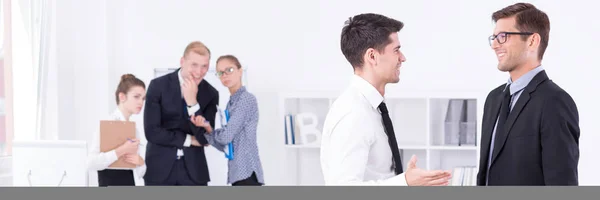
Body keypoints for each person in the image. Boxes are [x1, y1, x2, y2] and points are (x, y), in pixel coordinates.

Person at [319, 13, 452, 186]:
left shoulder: (371, 108)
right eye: (396, 50)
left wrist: (407, 183)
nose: (402, 58)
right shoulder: (353, 113)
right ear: (372, 56)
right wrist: (405, 183)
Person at [477, 3, 580, 186]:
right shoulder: (493, 99)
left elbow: (562, 185)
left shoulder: (554, 102)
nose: (494, 45)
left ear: (532, 41)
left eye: (503, 37)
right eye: (493, 37)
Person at [143, 41, 219, 186]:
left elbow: (205, 139)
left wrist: (192, 103)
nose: (199, 71)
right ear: (182, 62)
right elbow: (152, 132)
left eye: (204, 66)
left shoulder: (211, 93)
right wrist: (189, 140)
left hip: (194, 173)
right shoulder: (157, 86)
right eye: (194, 65)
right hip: (159, 170)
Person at [192, 55, 265, 186]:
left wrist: (216, 133)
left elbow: (225, 137)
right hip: (236, 174)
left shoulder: (246, 99)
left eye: (229, 70)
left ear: (240, 71)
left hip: (247, 172)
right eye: (220, 73)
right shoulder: (230, 104)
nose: (225, 75)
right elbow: (226, 146)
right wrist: (208, 128)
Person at [88, 74, 147, 186]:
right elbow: (91, 163)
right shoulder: (106, 124)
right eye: (136, 97)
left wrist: (140, 162)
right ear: (122, 97)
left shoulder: (134, 129)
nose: (141, 102)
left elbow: (139, 173)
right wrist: (121, 150)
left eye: (143, 98)